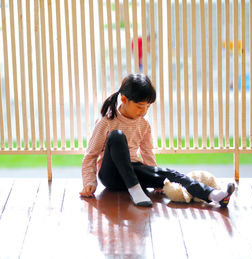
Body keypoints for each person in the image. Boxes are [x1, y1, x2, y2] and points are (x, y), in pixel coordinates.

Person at [80, 73, 235, 207]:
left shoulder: (144, 124)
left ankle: (215, 195)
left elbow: (147, 152)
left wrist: (154, 178)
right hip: (111, 176)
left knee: (170, 174)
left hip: (134, 170)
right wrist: (89, 183)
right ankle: (135, 190)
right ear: (124, 99)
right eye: (140, 107)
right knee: (117, 136)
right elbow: (91, 155)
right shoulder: (107, 122)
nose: (144, 111)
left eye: (148, 107)